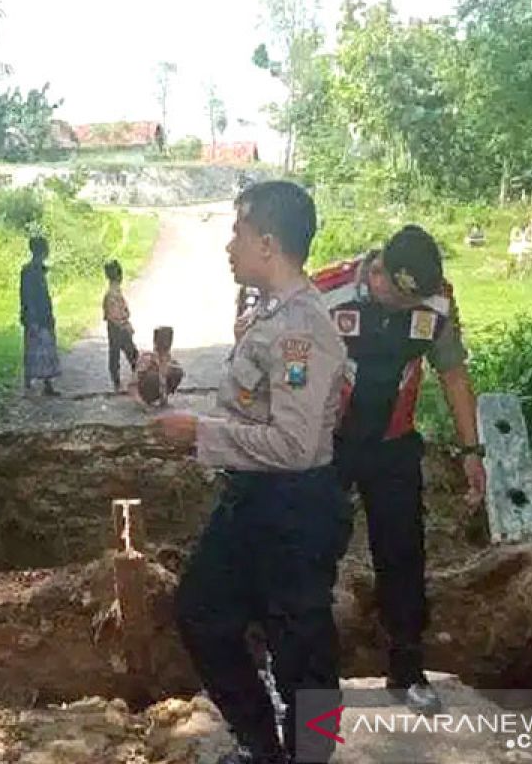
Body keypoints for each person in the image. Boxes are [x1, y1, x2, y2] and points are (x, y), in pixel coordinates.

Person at [153, 181, 351, 764]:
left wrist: (201, 434)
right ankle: (262, 745)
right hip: (252, 499)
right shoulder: (269, 314)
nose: (227, 245)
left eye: (236, 232)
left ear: (268, 242)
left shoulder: (300, 330)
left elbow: (292, 444)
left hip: (293, 506)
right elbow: (255, 409)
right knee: (202, 610)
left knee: (303, 653)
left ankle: (311, 755)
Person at [311, 224, 485, 715]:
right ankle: (310, 674)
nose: (410, 310)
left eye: (417, 303)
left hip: (392, 444)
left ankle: (407, 670)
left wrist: (473, 451)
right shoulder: (329, 292)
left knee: (404, 556)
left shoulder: (437, 302)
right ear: (380, 273)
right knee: (312, 552)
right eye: (400, 299)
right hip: (328, 446)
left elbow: (453, 373)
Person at [20, 236, 61, 397]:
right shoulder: (31, 271)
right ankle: (35, 383)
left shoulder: (33, 270)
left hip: (39, 315)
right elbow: (29, 296)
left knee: (40, 349)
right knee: (40, 349)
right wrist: (33, 317)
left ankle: (40, 383)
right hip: (37, 316)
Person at [103, 259, 138, 391]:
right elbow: (116, 314)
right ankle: (138, 378)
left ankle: (117, 379)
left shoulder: (111, 293)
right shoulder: (113, 294)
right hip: (119, 326)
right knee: (131, 353)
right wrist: (125, 323)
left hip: (113, 327)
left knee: (115, 353)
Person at [130, 326, 184, 407]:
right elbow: (132, 385)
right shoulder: (147, 358)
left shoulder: (171, 362)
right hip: (144, 395)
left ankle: (161, 401)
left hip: (160, 394)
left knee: (176, 371)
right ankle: (149, 401)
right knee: (154, 376)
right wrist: (140, 403)